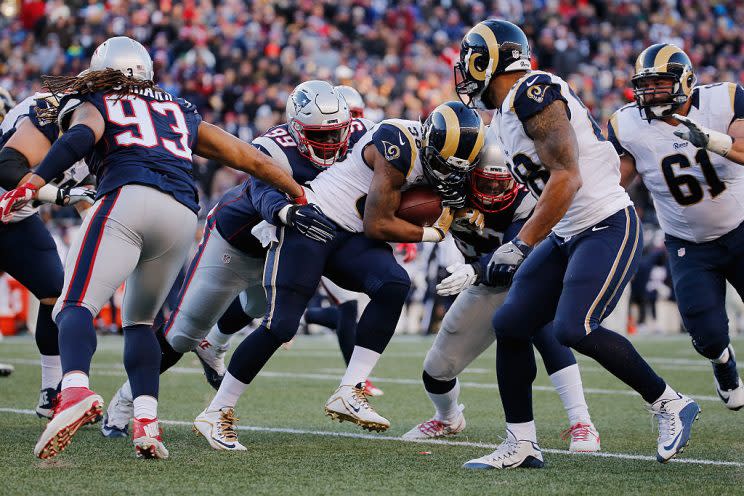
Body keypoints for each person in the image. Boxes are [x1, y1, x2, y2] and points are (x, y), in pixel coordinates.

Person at [0, 36, 304, 460]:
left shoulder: (96, 99)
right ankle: (146, 420)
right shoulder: (176, 106)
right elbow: (244, 155)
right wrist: (294, 190)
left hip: (126, 199)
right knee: (141, 323)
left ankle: (73, 392)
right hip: (181, 215)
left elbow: (81, 136)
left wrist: (33, 183)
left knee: (72, 304)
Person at [453, 19, 699, 468]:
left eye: (468, 58)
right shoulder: (508, 110)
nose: (462, 70)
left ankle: (669, 402)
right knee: (510, 324)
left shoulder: (533, 92)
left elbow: (567, 177)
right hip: (568, 233)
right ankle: (522, 443)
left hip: (605, 222)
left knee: (574, 327)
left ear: (488, 60)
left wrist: (521, 244)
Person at [181, 101, 485, 450]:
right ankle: (216, 411)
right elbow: (378, 224)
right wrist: (434, 232)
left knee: (393, 284)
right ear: (428, 140)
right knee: (280, 325)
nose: (447, 174)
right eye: (441, 165)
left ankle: (349, 390)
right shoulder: (396, 142)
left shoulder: (454, 155)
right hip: (314, 220)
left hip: (349, 234)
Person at [103, 80, 373, 440]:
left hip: (278, 251)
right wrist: (286, 212)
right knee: (181, 335)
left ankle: (214, 343)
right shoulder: (275, 146)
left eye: (335, 133)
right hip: (233, 243)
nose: (329, 144)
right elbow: (261, 189)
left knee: (262, 308)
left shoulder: (358, 139)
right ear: (295, 128)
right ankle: (123, 404)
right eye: (317, 135)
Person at [403, 135, 600, 452]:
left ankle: (582, 423)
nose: (495, 191)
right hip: (485, 287)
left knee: (544, 331)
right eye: (487, 183)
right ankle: (448, 417)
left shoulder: (526, 199)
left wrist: (476, 269)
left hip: (527, 276)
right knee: (437, 370)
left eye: (501, 184)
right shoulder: (448, 189)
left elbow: (514, 256)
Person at [610, 43, 744, 410]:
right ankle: (723, 362)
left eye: (660, 84)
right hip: (689, 244)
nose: (650, 93)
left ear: (685, 81)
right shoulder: (628, 124)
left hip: (740, 227)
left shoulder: (725, 99)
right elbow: (615, 182)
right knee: (707, 336)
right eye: (645, 85)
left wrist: (712, 140)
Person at [0, 86, 95, 418]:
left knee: (55, 293)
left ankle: (50, 391)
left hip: (17, 219)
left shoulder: (107, 132)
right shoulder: (53, 110)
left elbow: (85, 196)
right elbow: (7, 168)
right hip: (10, 203)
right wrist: (62, 196)